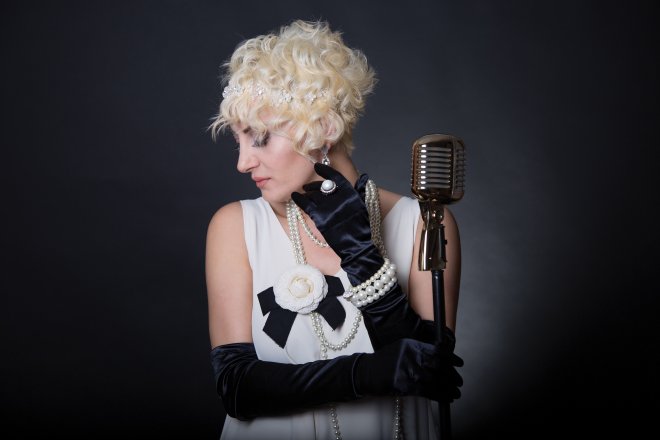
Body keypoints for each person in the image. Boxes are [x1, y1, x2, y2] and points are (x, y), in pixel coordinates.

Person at [205, 19, 463, 440]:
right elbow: (236, 387)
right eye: (239, 142)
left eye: (260, 138)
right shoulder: (236, 226)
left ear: (324, 128)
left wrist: (362, 256)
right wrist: (364, 374)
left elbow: (429, 370)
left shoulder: (424, 225)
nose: (243, 163)